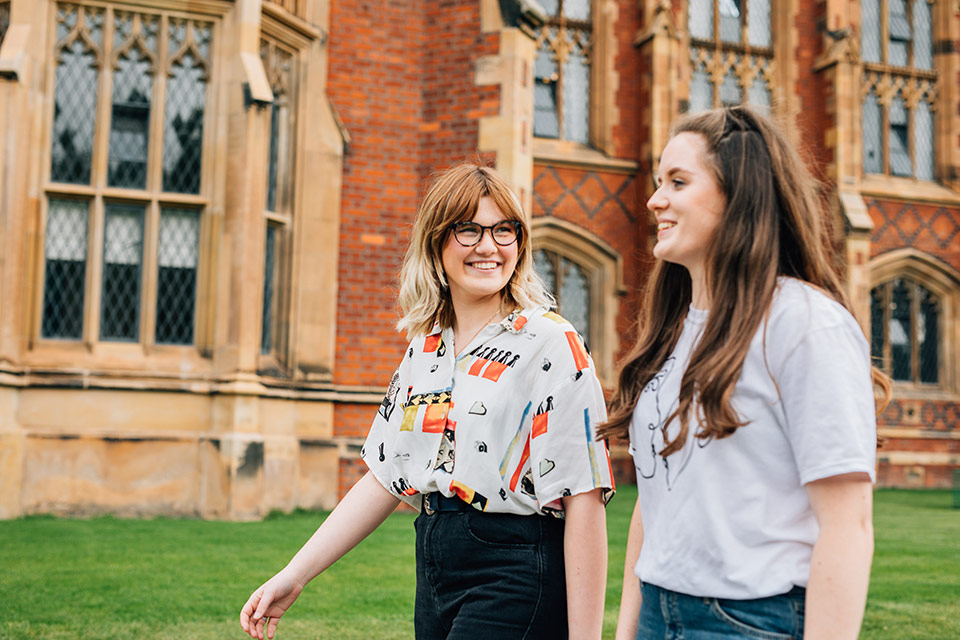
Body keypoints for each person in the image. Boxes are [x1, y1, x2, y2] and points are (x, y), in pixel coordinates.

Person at [240, 163, 615, 640]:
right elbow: (385, 474)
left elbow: (584, 494)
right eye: (468, 229)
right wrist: (295, 574)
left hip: (516, 570)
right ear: (438, 244)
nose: (488, 246)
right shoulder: (427, 347)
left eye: (504, 230)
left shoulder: (551, 342)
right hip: (435, 565)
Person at [600, 106, 891, 640]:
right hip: (658, 614)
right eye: (658, 181)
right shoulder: (674, 329)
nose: (654, 199)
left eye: (678, 182)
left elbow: (848, 526)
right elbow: (656, 498)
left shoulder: (804, 323)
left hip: (750, 619)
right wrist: (629, 627)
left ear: (740, 194)